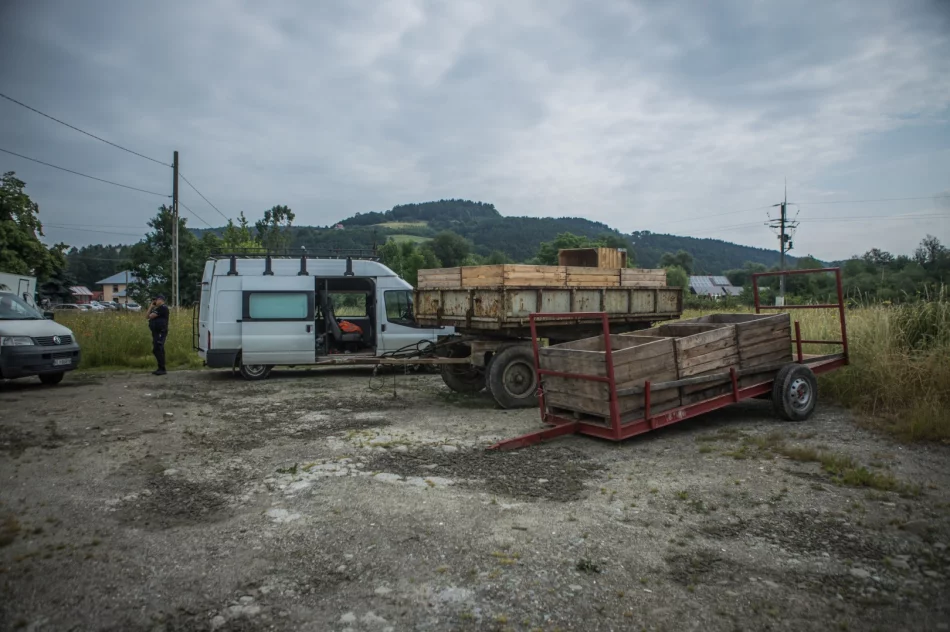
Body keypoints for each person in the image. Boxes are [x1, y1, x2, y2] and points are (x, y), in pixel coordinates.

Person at [147, 295, 170, 375]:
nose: (155, 301)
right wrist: (151, 307)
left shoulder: (163, 308)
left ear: (161, 300)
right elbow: (147, 316)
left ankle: (162, 368)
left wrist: (151, 306)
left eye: (156, 300)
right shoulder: (157, 309)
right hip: (156, 332)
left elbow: (150, 316)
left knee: (158, 349)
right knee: (158, 349)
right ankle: (161, 368)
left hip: (161, 332)